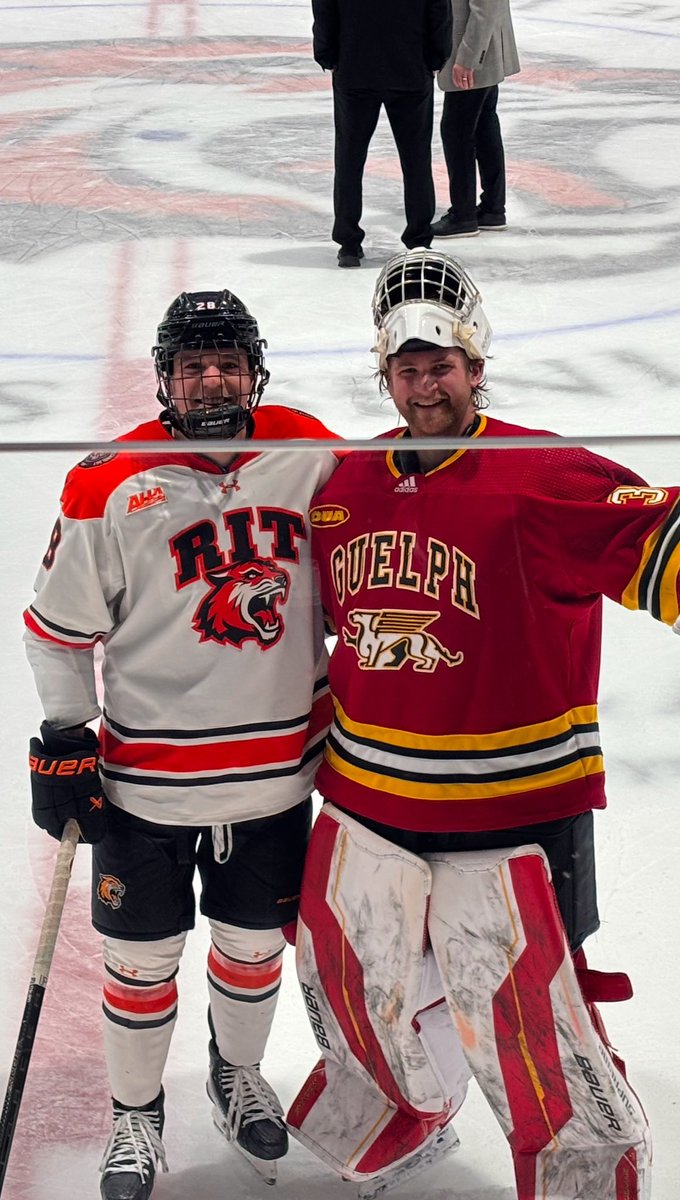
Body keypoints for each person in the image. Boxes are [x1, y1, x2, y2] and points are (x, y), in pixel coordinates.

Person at [286, 249, 670, 1199]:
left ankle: (588, 1160)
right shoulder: (345, 486)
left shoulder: (539, 472)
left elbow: (657, 540)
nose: (425, 385)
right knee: (356, 974)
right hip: (368, 793)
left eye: (441, 365)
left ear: (476, 365)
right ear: (387, 376)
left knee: (527, 996)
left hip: (512, 801)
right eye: (407, 369)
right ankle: (398, 1109)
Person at [24, 289, 339, 1200]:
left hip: (278, 775)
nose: (211, 380)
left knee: (251, 946)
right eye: (192, 365)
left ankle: (238, 1076)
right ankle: (135, 1113)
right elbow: (55, 628)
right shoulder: (108, 482)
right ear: (163, 377)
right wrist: (64, 734)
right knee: (142, 958)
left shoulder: (309, 452)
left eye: (228, 362)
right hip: (146, 785)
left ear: (256, 370)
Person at [311, 0, 453, 268]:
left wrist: (328, 55)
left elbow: (324, 10)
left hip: (355, 68)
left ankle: (349, 243)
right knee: (416, 160)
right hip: (409, 68)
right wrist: (435, 57)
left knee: (349, 159)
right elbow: (439, 12)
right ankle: (419, 239)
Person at [431, 0, 520, 238]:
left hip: (475, 53)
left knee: (456, 130)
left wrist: (467, 58)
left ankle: (463, 215)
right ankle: (492, 209)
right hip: (484, 50)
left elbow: (485, 8)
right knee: (483, 126)